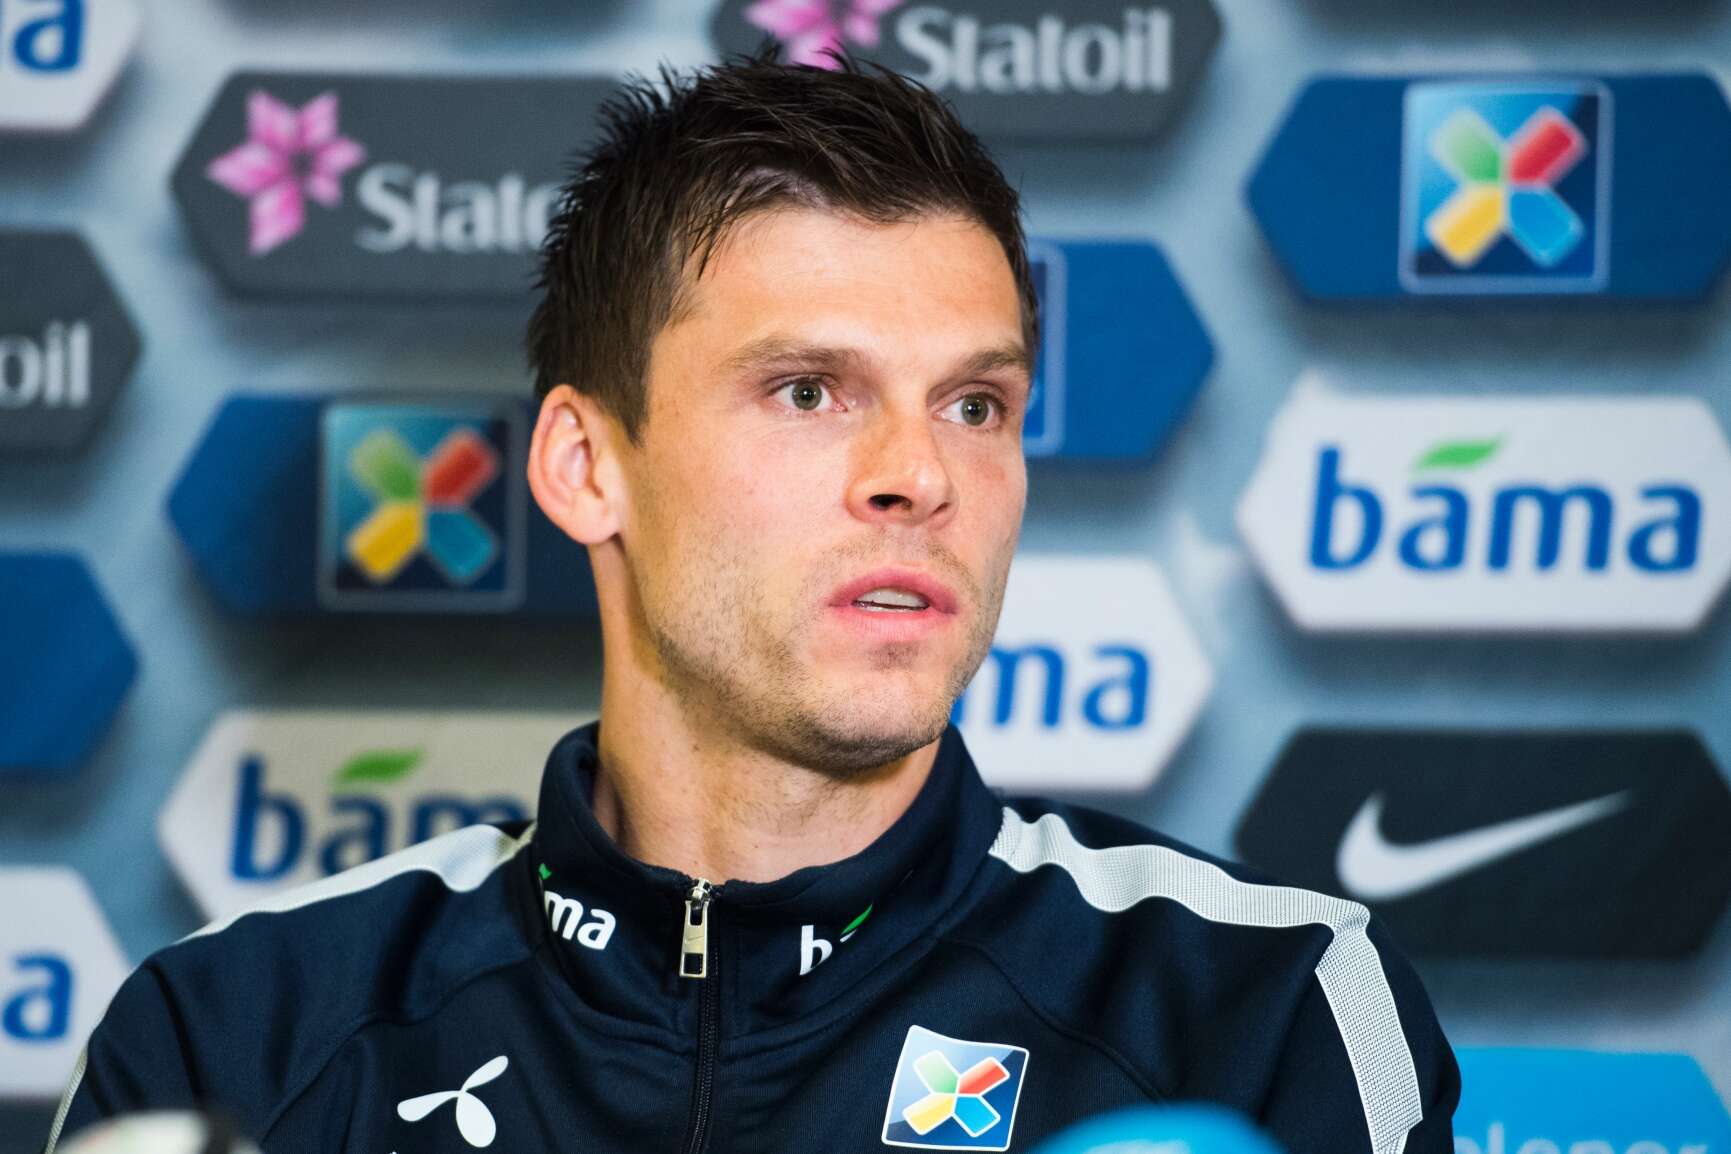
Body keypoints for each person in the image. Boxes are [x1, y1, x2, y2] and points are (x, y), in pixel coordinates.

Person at [49, 54, 1458, 1154]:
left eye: (976, 403)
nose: (919, 474)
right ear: (585, 465)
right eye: (807, 391)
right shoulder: (234, 1036)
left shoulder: (1258, 1008)